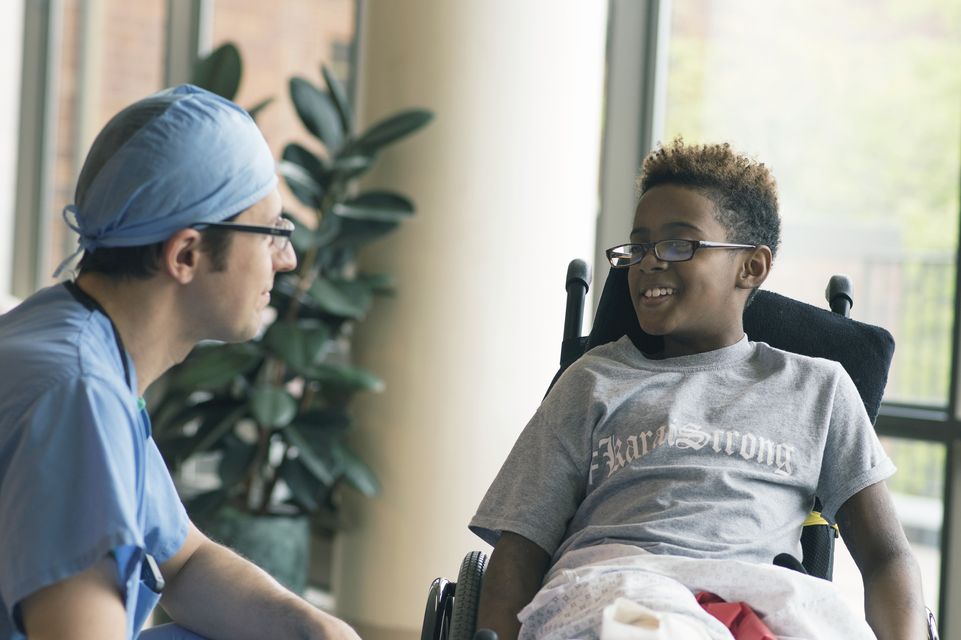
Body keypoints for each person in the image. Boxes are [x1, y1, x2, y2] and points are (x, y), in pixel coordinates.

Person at [470, 139, 928, 639]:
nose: (648, 263)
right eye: (638, 247)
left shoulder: (819, 389)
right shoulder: (592, 382)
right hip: (620, 591)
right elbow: (519, 550)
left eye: (677, 245)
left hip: (762, 599)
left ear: (751, 266)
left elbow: (887, 556)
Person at [0, 85, 359, 640]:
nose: (286, 259)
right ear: (186, 254)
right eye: (271, 233)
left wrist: (314, 629)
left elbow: (185, 562)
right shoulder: (77, 394)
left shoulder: (80, 344)